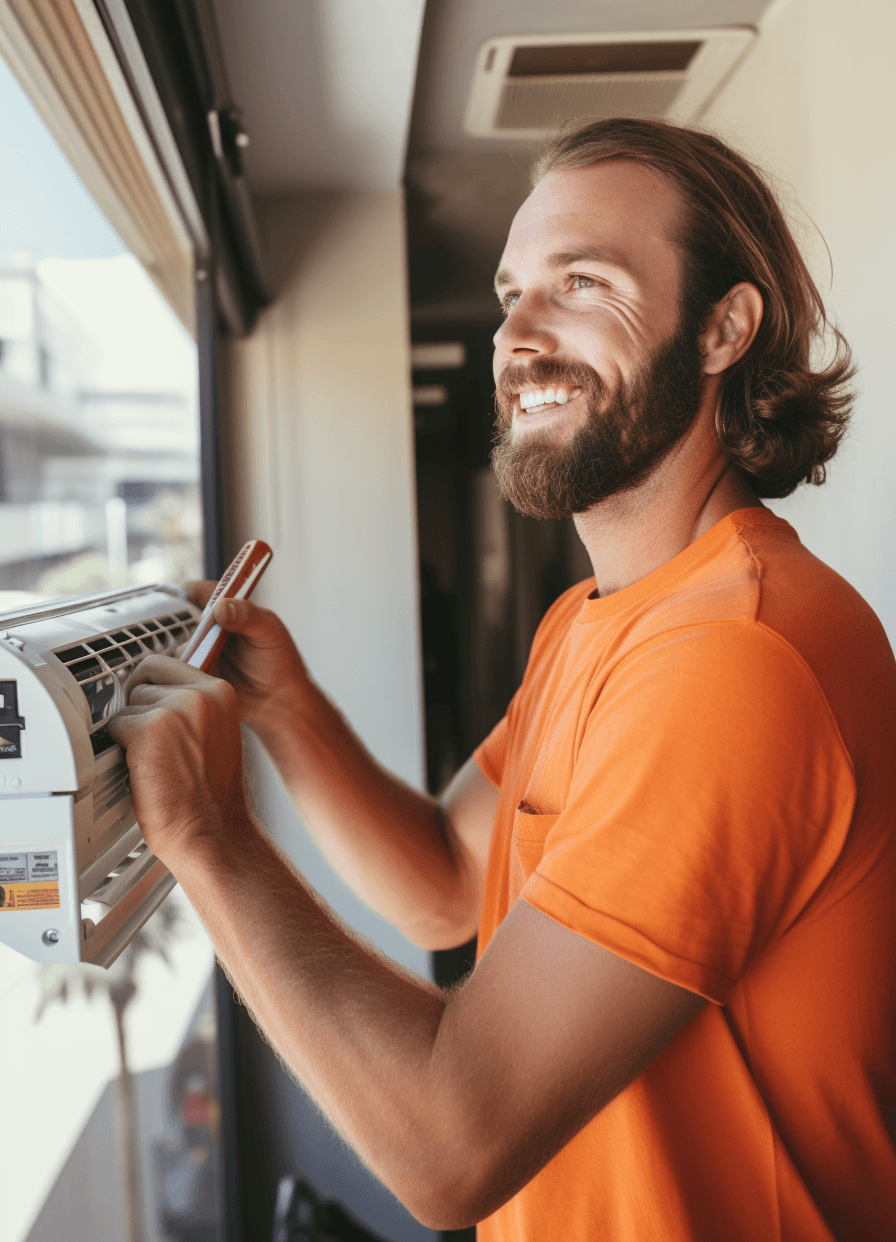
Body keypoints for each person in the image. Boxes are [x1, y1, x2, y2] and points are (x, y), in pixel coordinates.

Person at [108, 119, 896, 1241]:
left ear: (721, 328)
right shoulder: (592, 620)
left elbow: (446, 1142)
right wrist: (287, 713)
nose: (515, 336)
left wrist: (205, 833)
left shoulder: (732, 658)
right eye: (509, 292)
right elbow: (443, 881)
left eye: (581, 283)